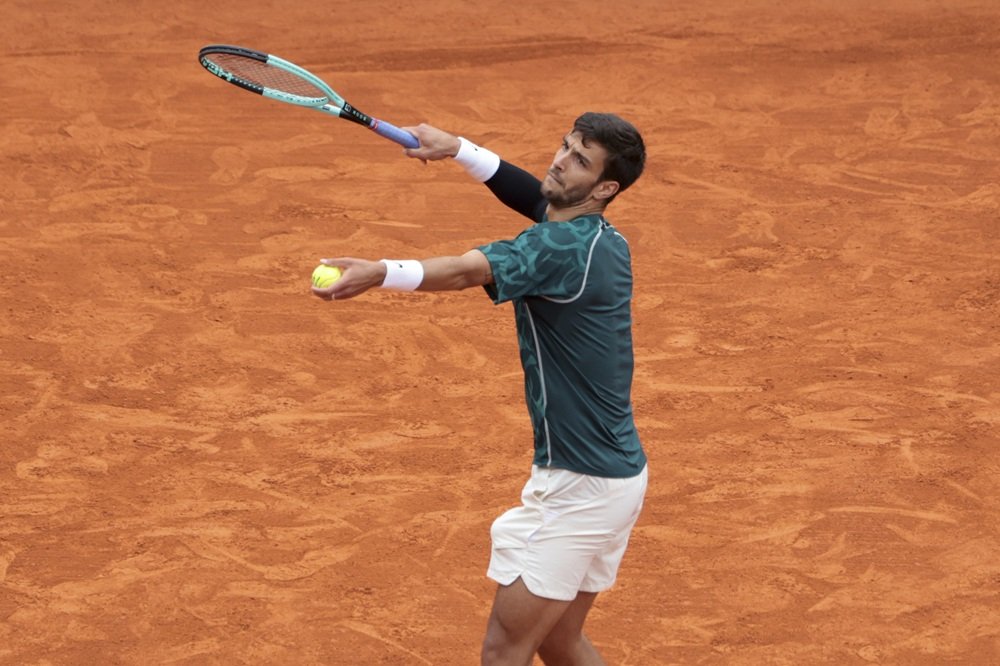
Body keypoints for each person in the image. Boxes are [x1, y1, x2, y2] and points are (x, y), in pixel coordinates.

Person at [312, 112, 648, 666]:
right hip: (616, 478)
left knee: (503, 651)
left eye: (580, 161)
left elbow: (470, 270)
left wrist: (381, 272)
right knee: (562, 642)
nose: (561, 161)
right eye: (564, 147)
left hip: (578, 489)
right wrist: (458, 148)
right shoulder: (599, 239)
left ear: (606, 187)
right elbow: (533, 197)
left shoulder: (558, 249)